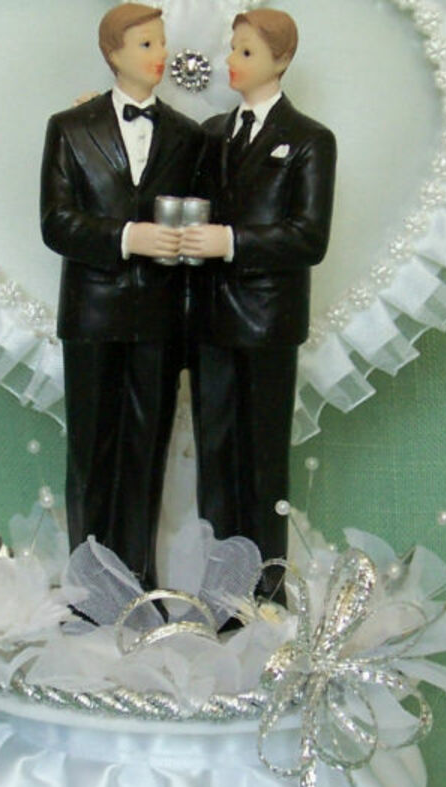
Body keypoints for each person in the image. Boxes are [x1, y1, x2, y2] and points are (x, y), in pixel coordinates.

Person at [39, 3, 203, 589]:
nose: (159, 54)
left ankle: (138, 582)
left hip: (160, 318)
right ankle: (89, 587)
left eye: (161, 43)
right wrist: (128, 237)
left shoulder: (188, 137)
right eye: (145, 44)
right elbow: (57, 223)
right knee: (91, 453)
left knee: (146, 452)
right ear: (112, 52)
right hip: (92, 315)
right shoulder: (70, 128)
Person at [179, 9, 337, 570]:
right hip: (209, 319)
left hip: (267, 320)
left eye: (246, 52)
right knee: (215, 454)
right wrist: (93, 112)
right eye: (233, 49)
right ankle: (219, 582)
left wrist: (230, 242)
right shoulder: (211, 133)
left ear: (282, 59)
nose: (232, 61)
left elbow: (308, 237)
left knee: (263, 458)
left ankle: (267, 585)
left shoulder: (310, 140)